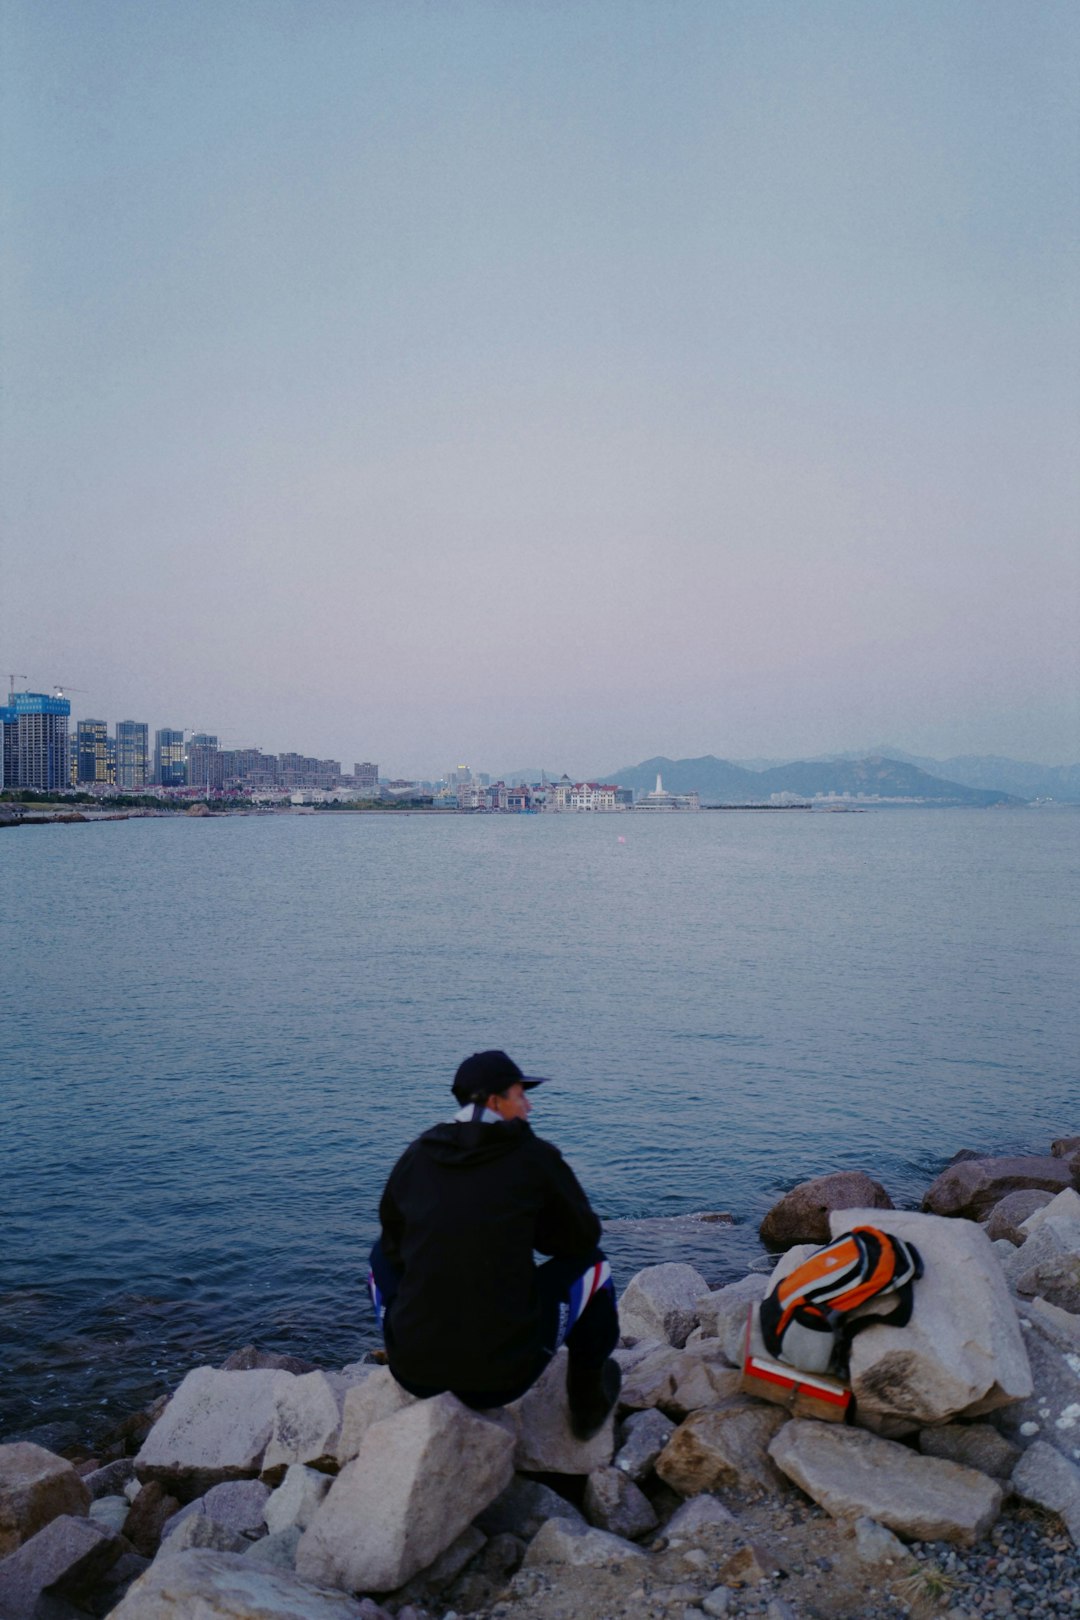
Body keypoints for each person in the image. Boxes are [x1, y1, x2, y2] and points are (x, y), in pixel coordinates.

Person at [368, 1049, 620, 1436]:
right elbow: (581, 1239)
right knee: (595, 1265)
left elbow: (392, 1244)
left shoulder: (418, 1155)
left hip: (413, 1373)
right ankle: (587, 1408)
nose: (529, 1106)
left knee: (378, 1260)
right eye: (521, 1095)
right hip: (502, 1380)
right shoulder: (533, 1157)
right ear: (495, 1102)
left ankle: (408, 1341)